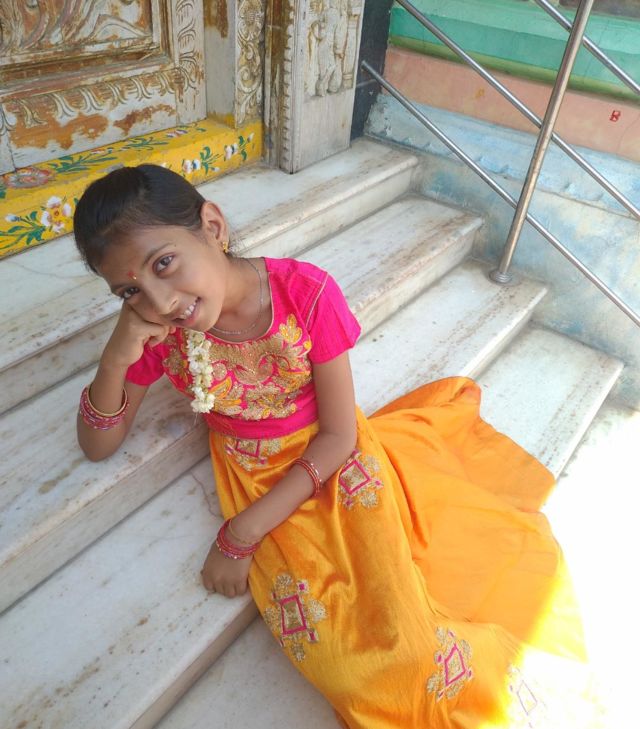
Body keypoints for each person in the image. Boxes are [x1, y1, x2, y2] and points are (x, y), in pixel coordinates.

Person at [73, 164, 588, 728]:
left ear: (213, 227)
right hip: (252, 475)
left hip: (337, 461)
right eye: (130, 290)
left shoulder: (304, 293)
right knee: (343, 662)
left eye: (164, 264)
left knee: (406, 626)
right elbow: (98, 445)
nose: (161, 301)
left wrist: (241, 534)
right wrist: (115, 357)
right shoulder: (155, 330)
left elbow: (340, 434)